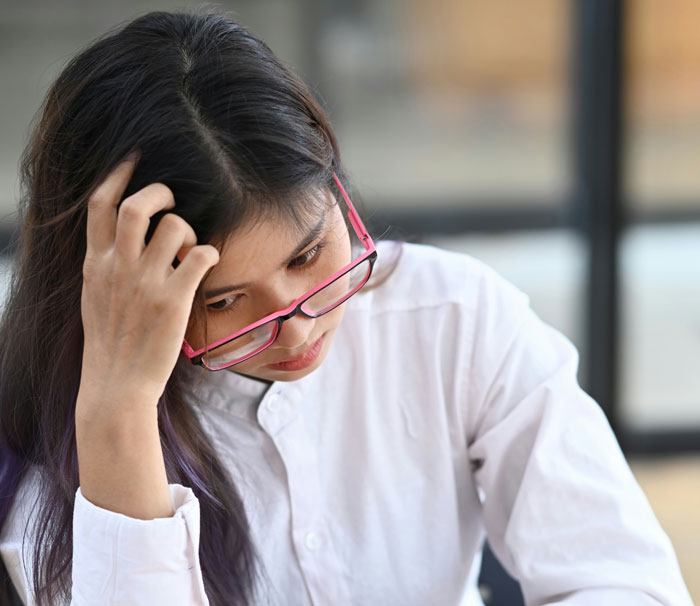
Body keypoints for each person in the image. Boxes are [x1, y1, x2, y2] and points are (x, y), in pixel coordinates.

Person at [0, 9, 692, 606]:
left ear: (336, 186)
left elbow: (623, 577)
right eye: (225, 300)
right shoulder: (49, 448)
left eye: (307, 256)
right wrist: (117, 412)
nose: (298, 323)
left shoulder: (448, 317)